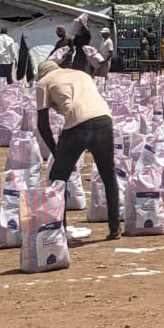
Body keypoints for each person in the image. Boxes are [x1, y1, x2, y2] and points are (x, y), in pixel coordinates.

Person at [35, 60, 121, 240]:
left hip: (77, 125)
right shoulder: (81, 74)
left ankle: (61, 229)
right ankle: (115, 228)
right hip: (104, 120)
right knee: (109, 174)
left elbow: (42, 123)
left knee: (58, 177)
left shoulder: (43, 83)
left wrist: (55, 150)